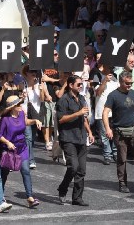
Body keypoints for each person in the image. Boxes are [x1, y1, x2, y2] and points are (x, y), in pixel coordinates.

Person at [102, 71, 134, 193]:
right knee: (122, 158)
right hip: (119, 131)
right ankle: (122, 183)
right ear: (120, 82)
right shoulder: (113, 95)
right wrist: (108, 129)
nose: (129, 85)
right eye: (127, 83)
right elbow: (105, 113)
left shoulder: (133, 93)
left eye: (131, 83)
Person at [56, 75, 94, 206]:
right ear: (71, 85)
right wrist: (77, 113)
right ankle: (63, 188)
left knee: (81, 170)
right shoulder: (63, 100)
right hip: (68, 138)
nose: (81, 86)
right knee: (73, 167)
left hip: (81, 137)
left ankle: (77, 198)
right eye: (78, 84)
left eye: (81, 84)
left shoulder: (82, 98)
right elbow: (61, 119)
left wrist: (89, 132)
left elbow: (83, 118)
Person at [0, 95, 42, 207]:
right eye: (18, 104)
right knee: (4, 173)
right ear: (12, 107)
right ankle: (0, 197)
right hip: (8, 149)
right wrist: (7, 142)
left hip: (22, 147)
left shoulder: (21, 113)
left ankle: (30, 197)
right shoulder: (5, 119)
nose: (20, 106)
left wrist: (35, 120)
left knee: (26, 171)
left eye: (20, 103)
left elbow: (25, 122)